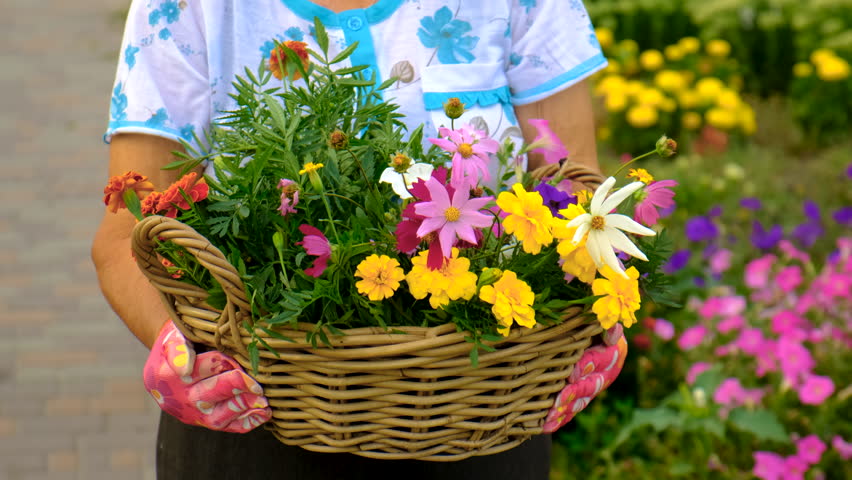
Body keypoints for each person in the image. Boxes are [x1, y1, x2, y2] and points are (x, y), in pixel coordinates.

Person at [92, 1, 614, 478]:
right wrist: (179, 356)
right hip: (256, 418)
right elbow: (128, 235)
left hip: (486, 405)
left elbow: (571, 191)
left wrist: (599, 310)